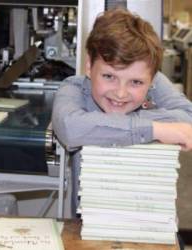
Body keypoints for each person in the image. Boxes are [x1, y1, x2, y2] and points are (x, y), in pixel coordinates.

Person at [52, 9, 192, 216]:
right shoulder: (72, 88)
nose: (120, 93)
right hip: (91, 221)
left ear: (152, 79)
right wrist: (156, 129)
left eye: (135, 82)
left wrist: (100, 126)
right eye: (109, 76)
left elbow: (187, 120)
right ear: (89, 66)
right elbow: (70, 127)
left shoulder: (153, 78)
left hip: (151, 219)